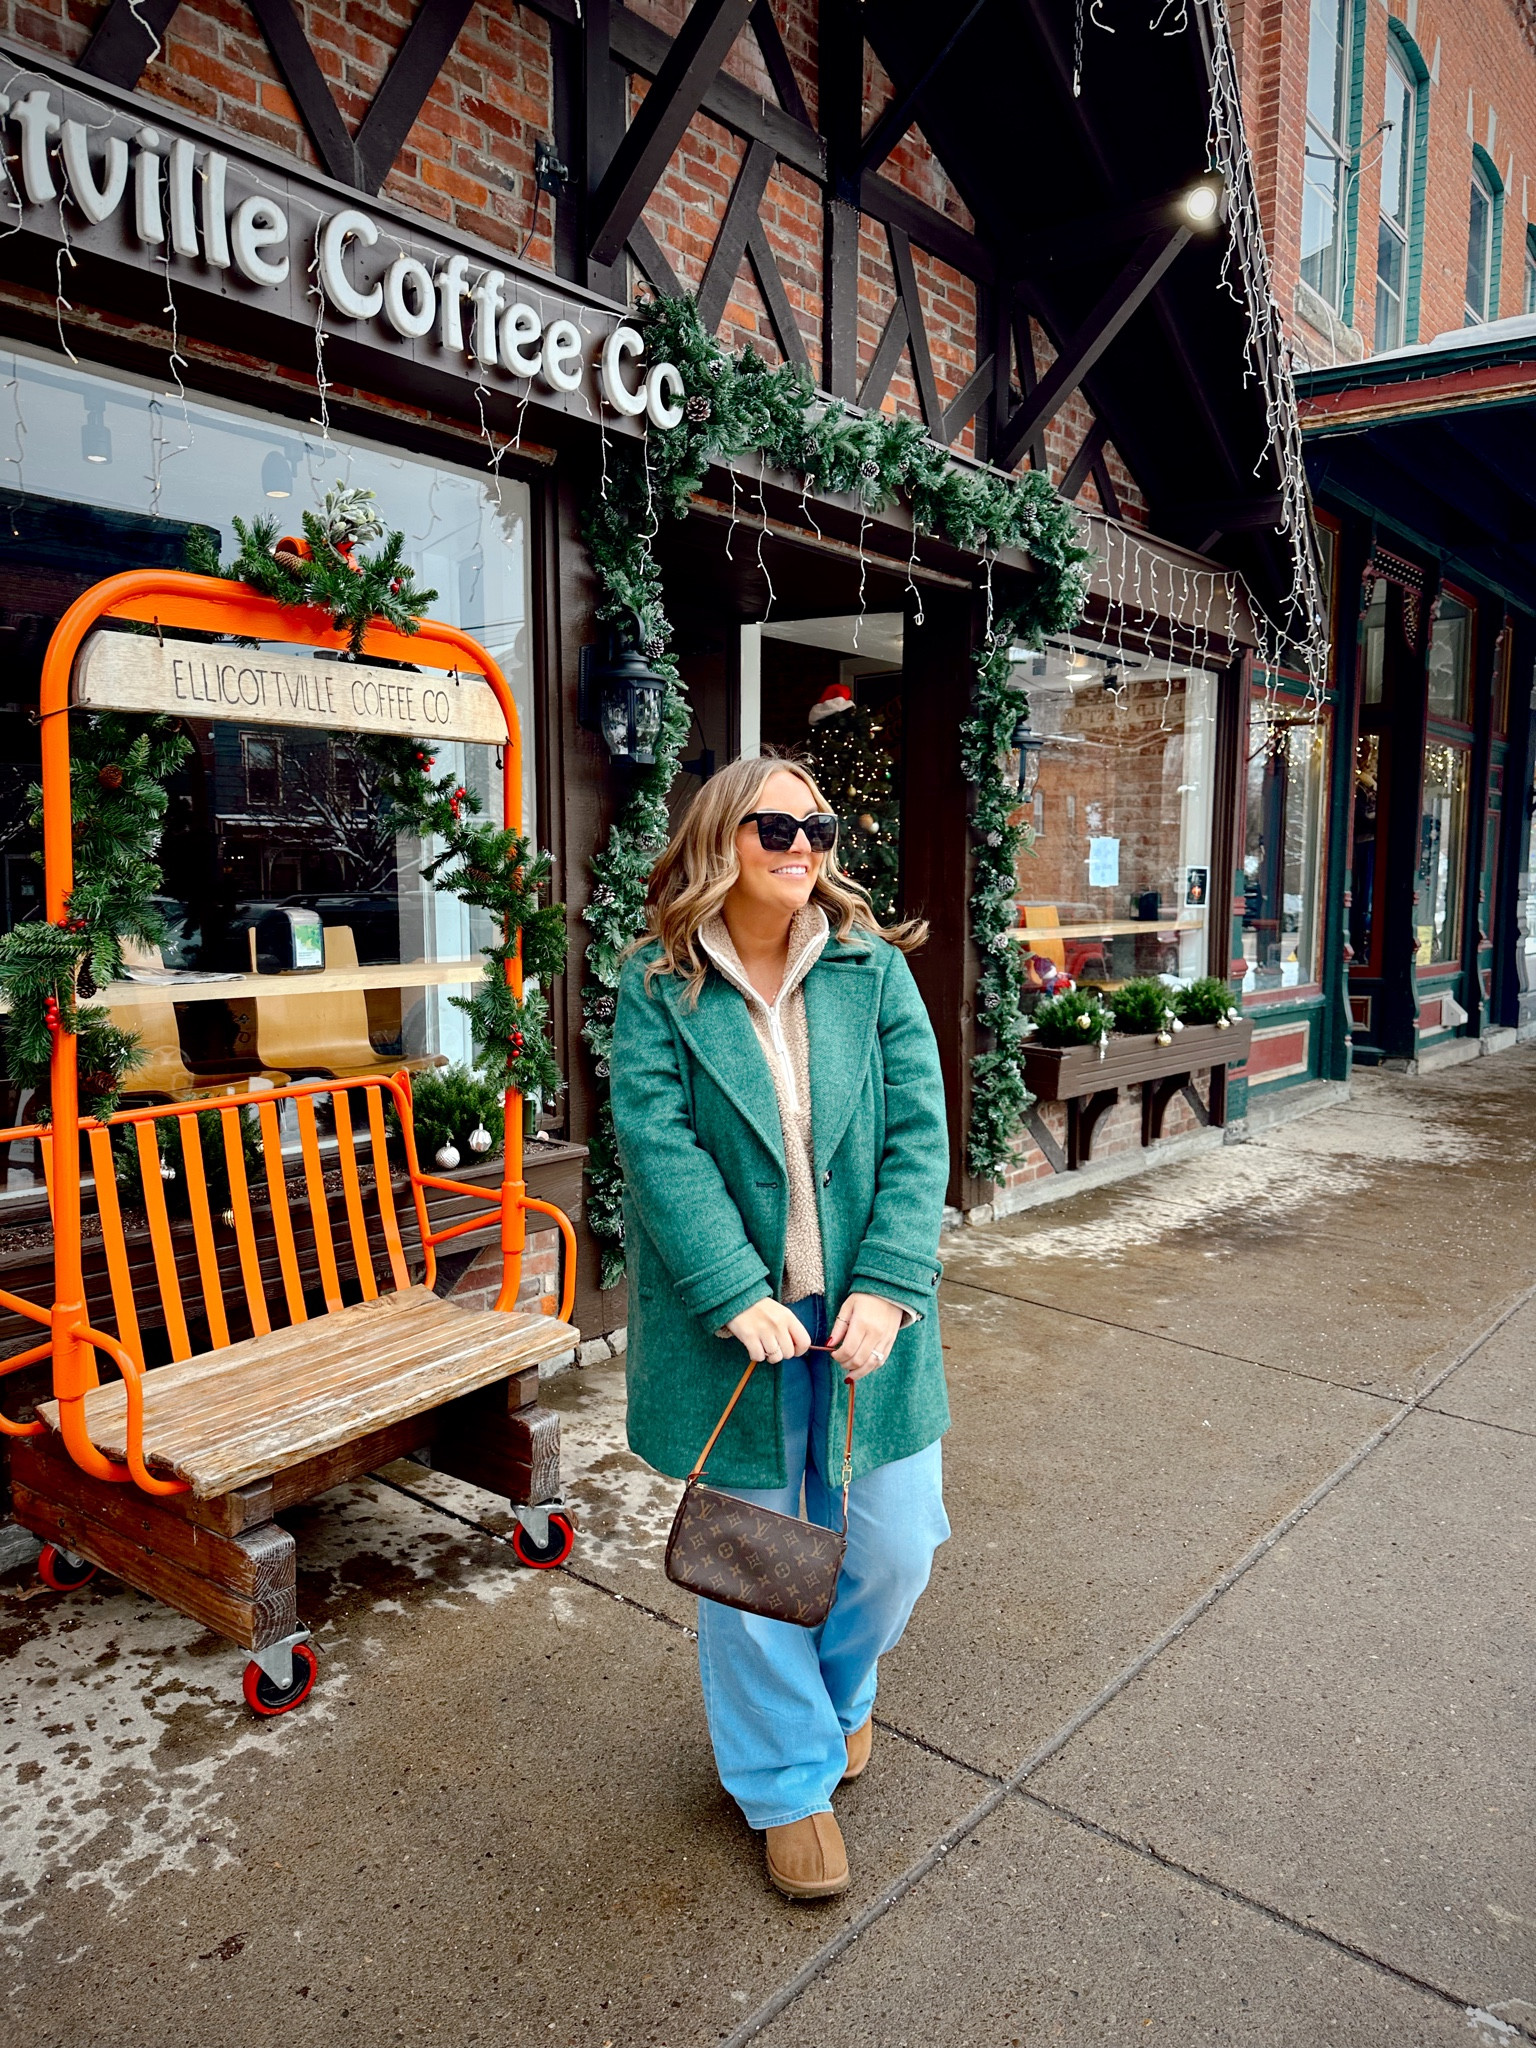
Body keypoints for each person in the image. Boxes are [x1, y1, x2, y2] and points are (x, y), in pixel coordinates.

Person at [610, 752, 951, 1901]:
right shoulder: (658, 988)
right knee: (756, 1568)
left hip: (863, 1323)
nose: (803, 843)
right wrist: (728, 1285)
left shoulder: (872, 971)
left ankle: (842, 1700)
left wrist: (894, 1280)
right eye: (776, 825)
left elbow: (919, 1131)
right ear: (721, 839)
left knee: (893, 1545)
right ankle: (789, 1783)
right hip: (740, 1327)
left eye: (820, 824)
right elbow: (657, 1144)